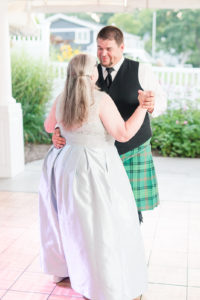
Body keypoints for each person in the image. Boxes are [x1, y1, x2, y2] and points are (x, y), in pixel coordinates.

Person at [39, 53, 148, 300]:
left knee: (73, 223)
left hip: (65, 166)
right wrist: (142, 107)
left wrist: (58, 129)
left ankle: (70, 270)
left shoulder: (62, 98)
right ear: (93, 74)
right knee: (103, 225)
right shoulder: (100, 100)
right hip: (95, 168)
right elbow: (123, 134)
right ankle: (104, 283)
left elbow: (48, 126)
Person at [52, 26, 167, 223]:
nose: (103, 54)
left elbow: (162, 101)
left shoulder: (141, 70)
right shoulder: (87, 72)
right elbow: (71, 106)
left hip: (133, 149)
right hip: (98, 155)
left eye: (108, 49)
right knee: (101, 210)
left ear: (122, 47)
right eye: (99, 48)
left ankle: (130, 247)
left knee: (130, 210)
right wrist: (57, 129)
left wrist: (151, 104)